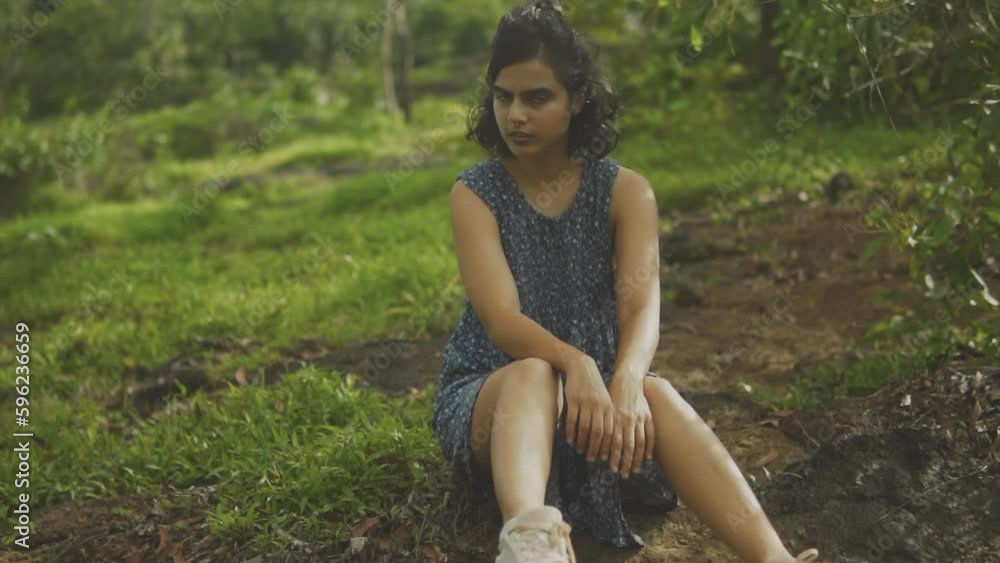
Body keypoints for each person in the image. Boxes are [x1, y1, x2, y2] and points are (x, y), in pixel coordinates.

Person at [430, 2, 821, 562]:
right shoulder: (475, 193)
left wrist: (629, 379)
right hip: (497, 402)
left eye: (537, 97)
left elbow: (643, 310)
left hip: (592, 410)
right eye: (503, 96)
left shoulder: (626, 192)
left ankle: (773, 559)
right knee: (534, 374)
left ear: (579, 97)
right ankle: (529, 544)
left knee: (656, 392)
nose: (515, 115)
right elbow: (501, 321)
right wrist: (577, 363)